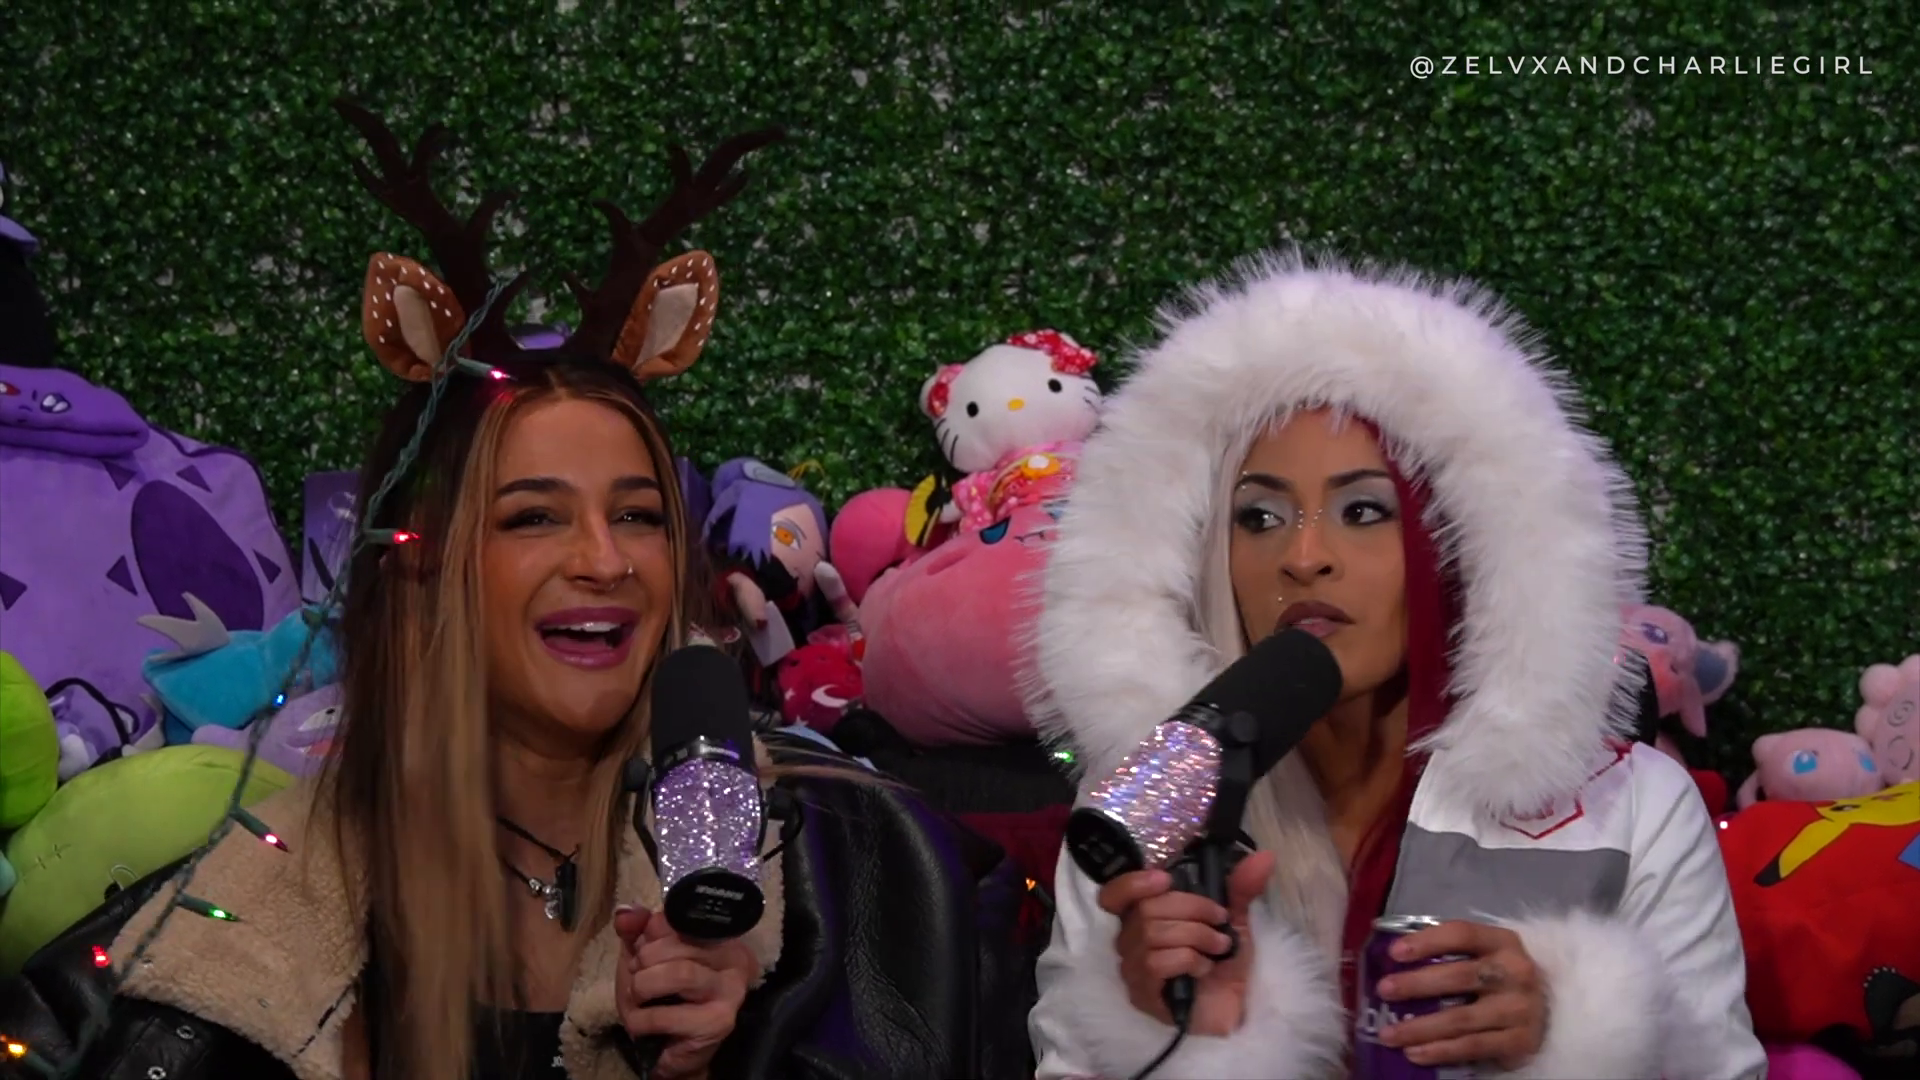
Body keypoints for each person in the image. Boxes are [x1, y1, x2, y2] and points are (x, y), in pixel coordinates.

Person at [0, 104, 1026, 1080]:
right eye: (534, 517)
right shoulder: (242, 904)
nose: (605, 560)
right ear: (419, 564)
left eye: (638, 516)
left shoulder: (846, 865)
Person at [1024, 255, 1766, 1079]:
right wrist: (1164, 1036)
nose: (1304, 556)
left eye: (1363, 510)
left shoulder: (1636, 811)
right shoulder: (1148, 802)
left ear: (1463, 543)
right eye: (1259, 516)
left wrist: (1573, 1036)